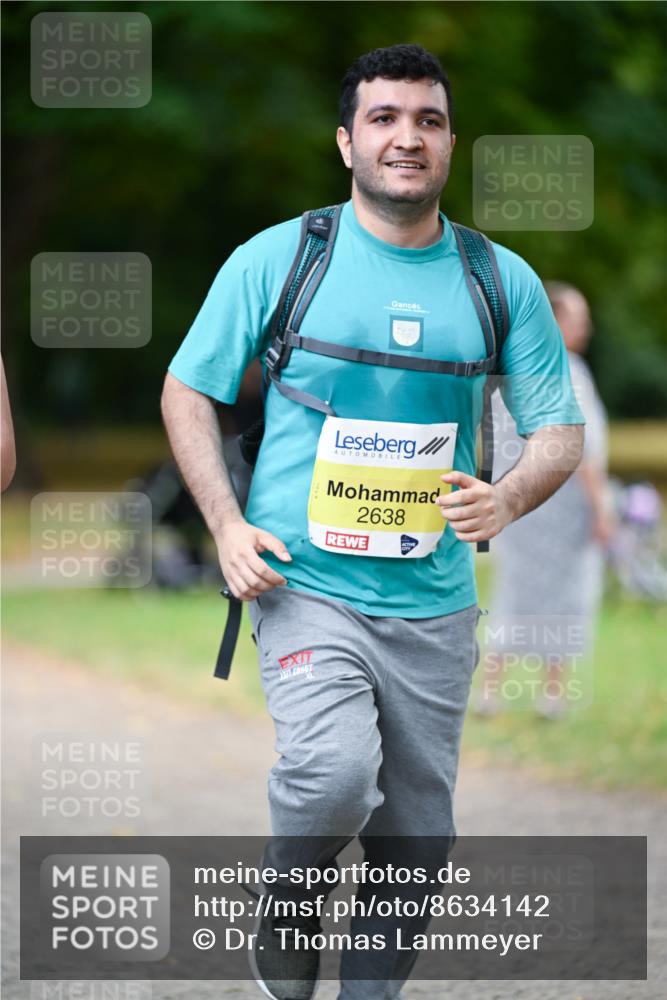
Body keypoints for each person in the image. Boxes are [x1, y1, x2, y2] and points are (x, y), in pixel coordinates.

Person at [161, 44, 584, 1000]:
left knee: (416, 840)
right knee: (332, 775)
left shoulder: (498, 280)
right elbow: (187, 389)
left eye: (428, 120)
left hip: (434, 602)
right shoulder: (280, 259)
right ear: (346, 141)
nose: (407, 137)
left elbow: (559, 431)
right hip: (303, 582)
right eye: (384, 118)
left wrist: (507, 497)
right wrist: (225, 526)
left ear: (449, 143)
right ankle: (287, 904)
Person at [476, 282, 610, 718]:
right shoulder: (568, 370)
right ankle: (552, 693)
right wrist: (602, 508)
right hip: (563, 506)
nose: (586, 328)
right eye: (578, 319)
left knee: (514, 592)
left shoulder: (513, 366)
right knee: (565, 598)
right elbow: (583, 448)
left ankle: (490, 690)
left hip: (518, 506)